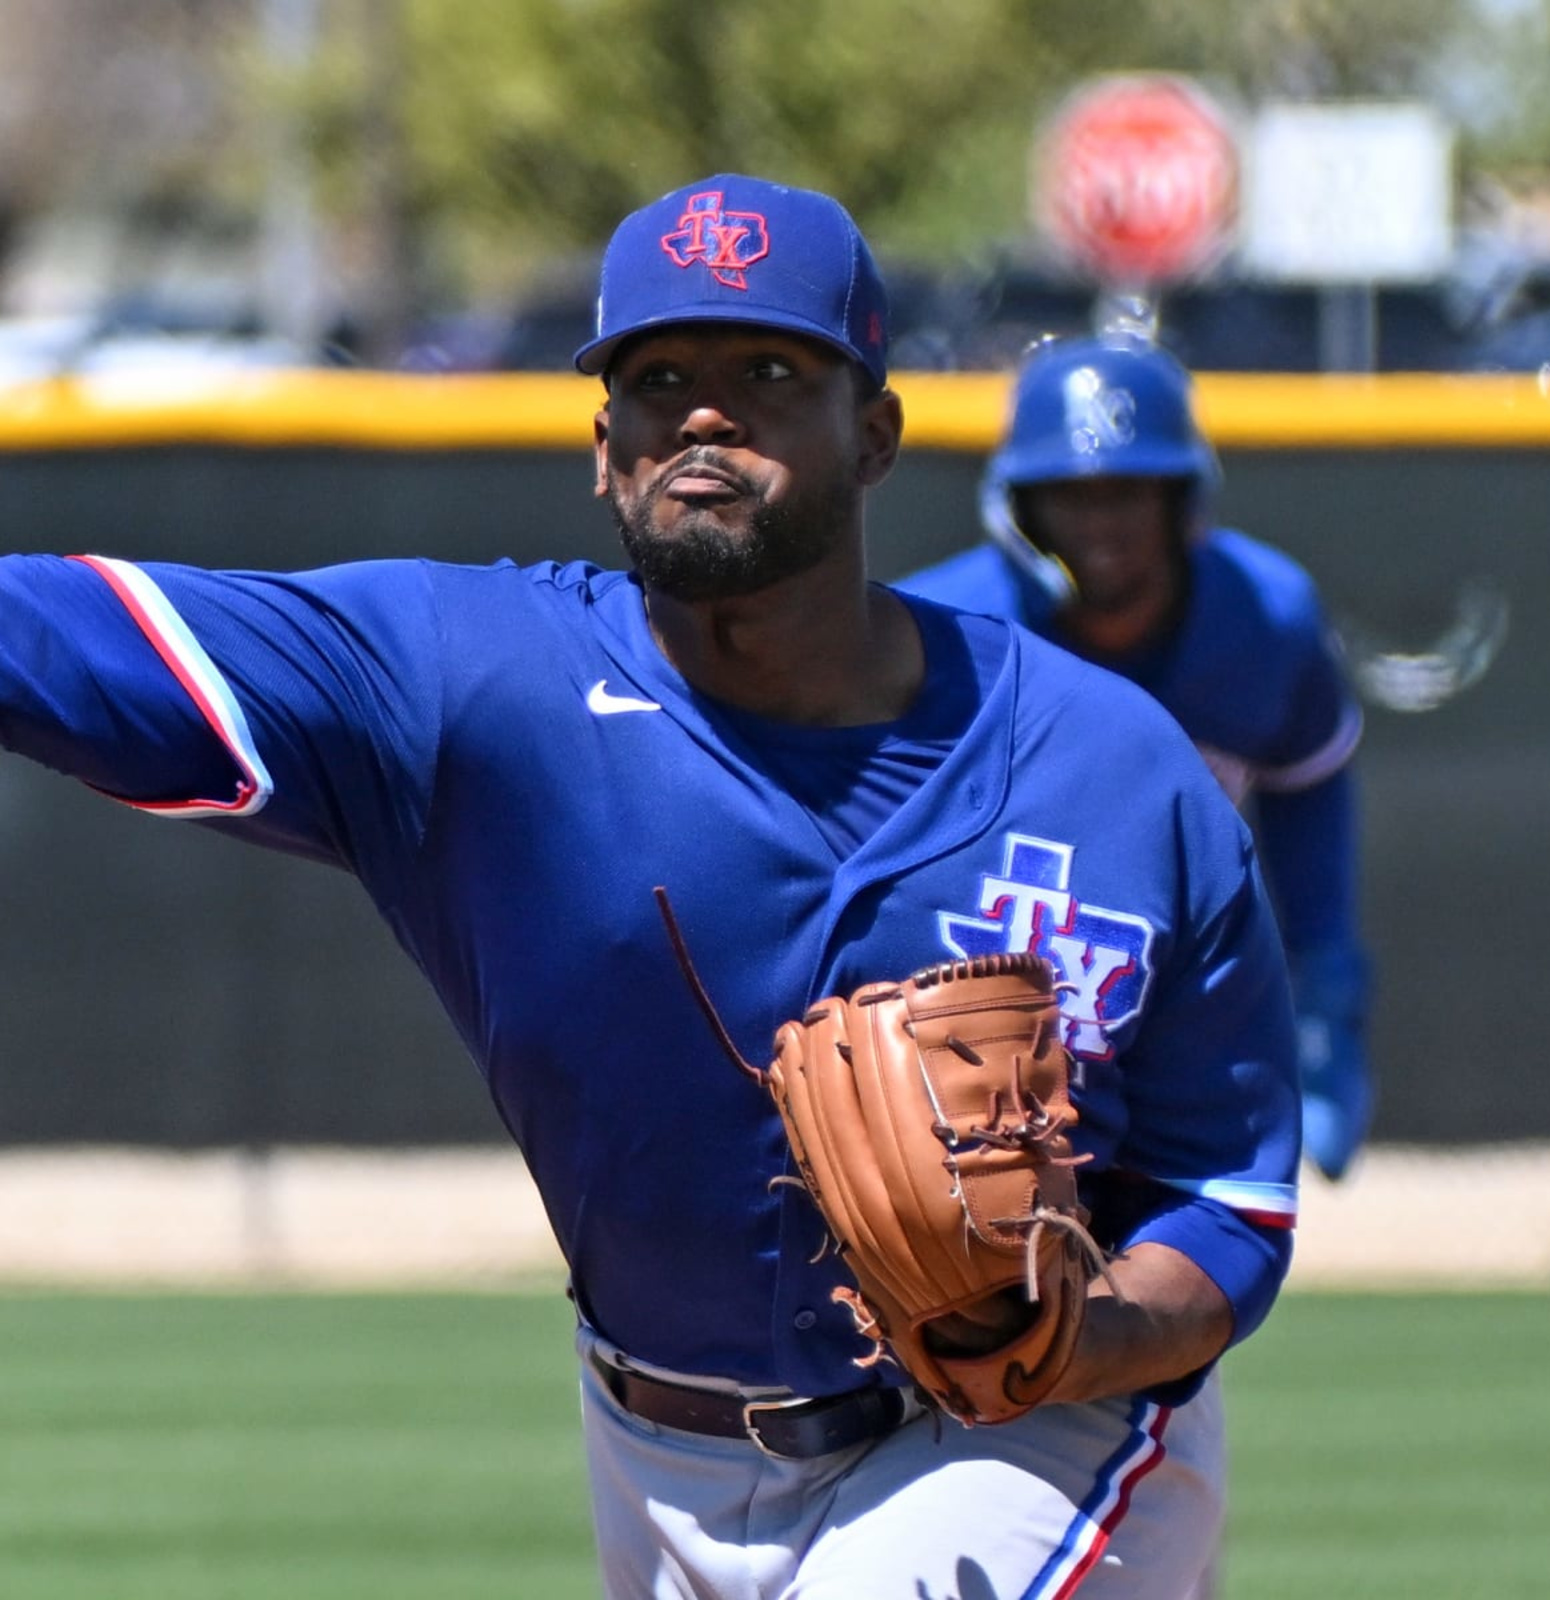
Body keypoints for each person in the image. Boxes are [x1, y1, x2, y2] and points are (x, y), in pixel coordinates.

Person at [0, 174, 1300, 1599]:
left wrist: (1092, 1335)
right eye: (659, 374)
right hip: (655, 1451)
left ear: (874, 434)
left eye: (768, 372)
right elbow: (59, 637)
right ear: (604, 448)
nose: (703, 411)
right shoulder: (470, 689)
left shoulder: (1114, 768)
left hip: (1029, 1444)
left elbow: (1227, 1195)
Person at [899, 332, 1373, 1184]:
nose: (1103, 522)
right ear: (1021, 509)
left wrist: (1327, 998)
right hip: (987, 981)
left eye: (1132, 491)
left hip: (1167, 976)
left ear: (1183, 501)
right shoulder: (944, 633)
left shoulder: (1267, 621)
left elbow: (1310, 788)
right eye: (1072, 496)